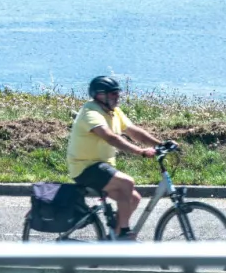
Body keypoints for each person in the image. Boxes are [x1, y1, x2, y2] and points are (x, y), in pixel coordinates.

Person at [67, 75, 161, 239]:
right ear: (99, 95)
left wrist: (159, 144)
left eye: (117, 93)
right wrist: (140, 152)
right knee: (127, 182)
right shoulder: (90, 112)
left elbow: (133, 131)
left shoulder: (114, 112)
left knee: (134, 199)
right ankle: (124, 232)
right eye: (112, 94)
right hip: (85, 168)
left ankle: (113, 239)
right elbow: (110, 137)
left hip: (102, 167)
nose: (117, 97)